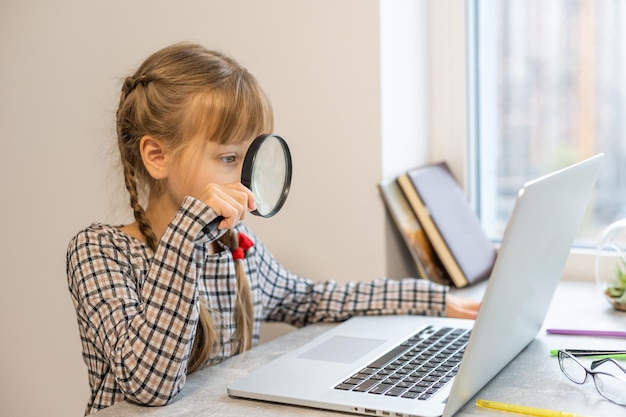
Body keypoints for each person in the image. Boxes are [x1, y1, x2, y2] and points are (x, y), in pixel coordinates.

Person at [66, 42, 480, 416]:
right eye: (228, 157)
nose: (244, 180)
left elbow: (314, 299)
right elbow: (149, 388)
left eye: (250, 158)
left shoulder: (232, 248)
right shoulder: (99, 252)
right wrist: (184, 235)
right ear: (157, 156)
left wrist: (432, 299)